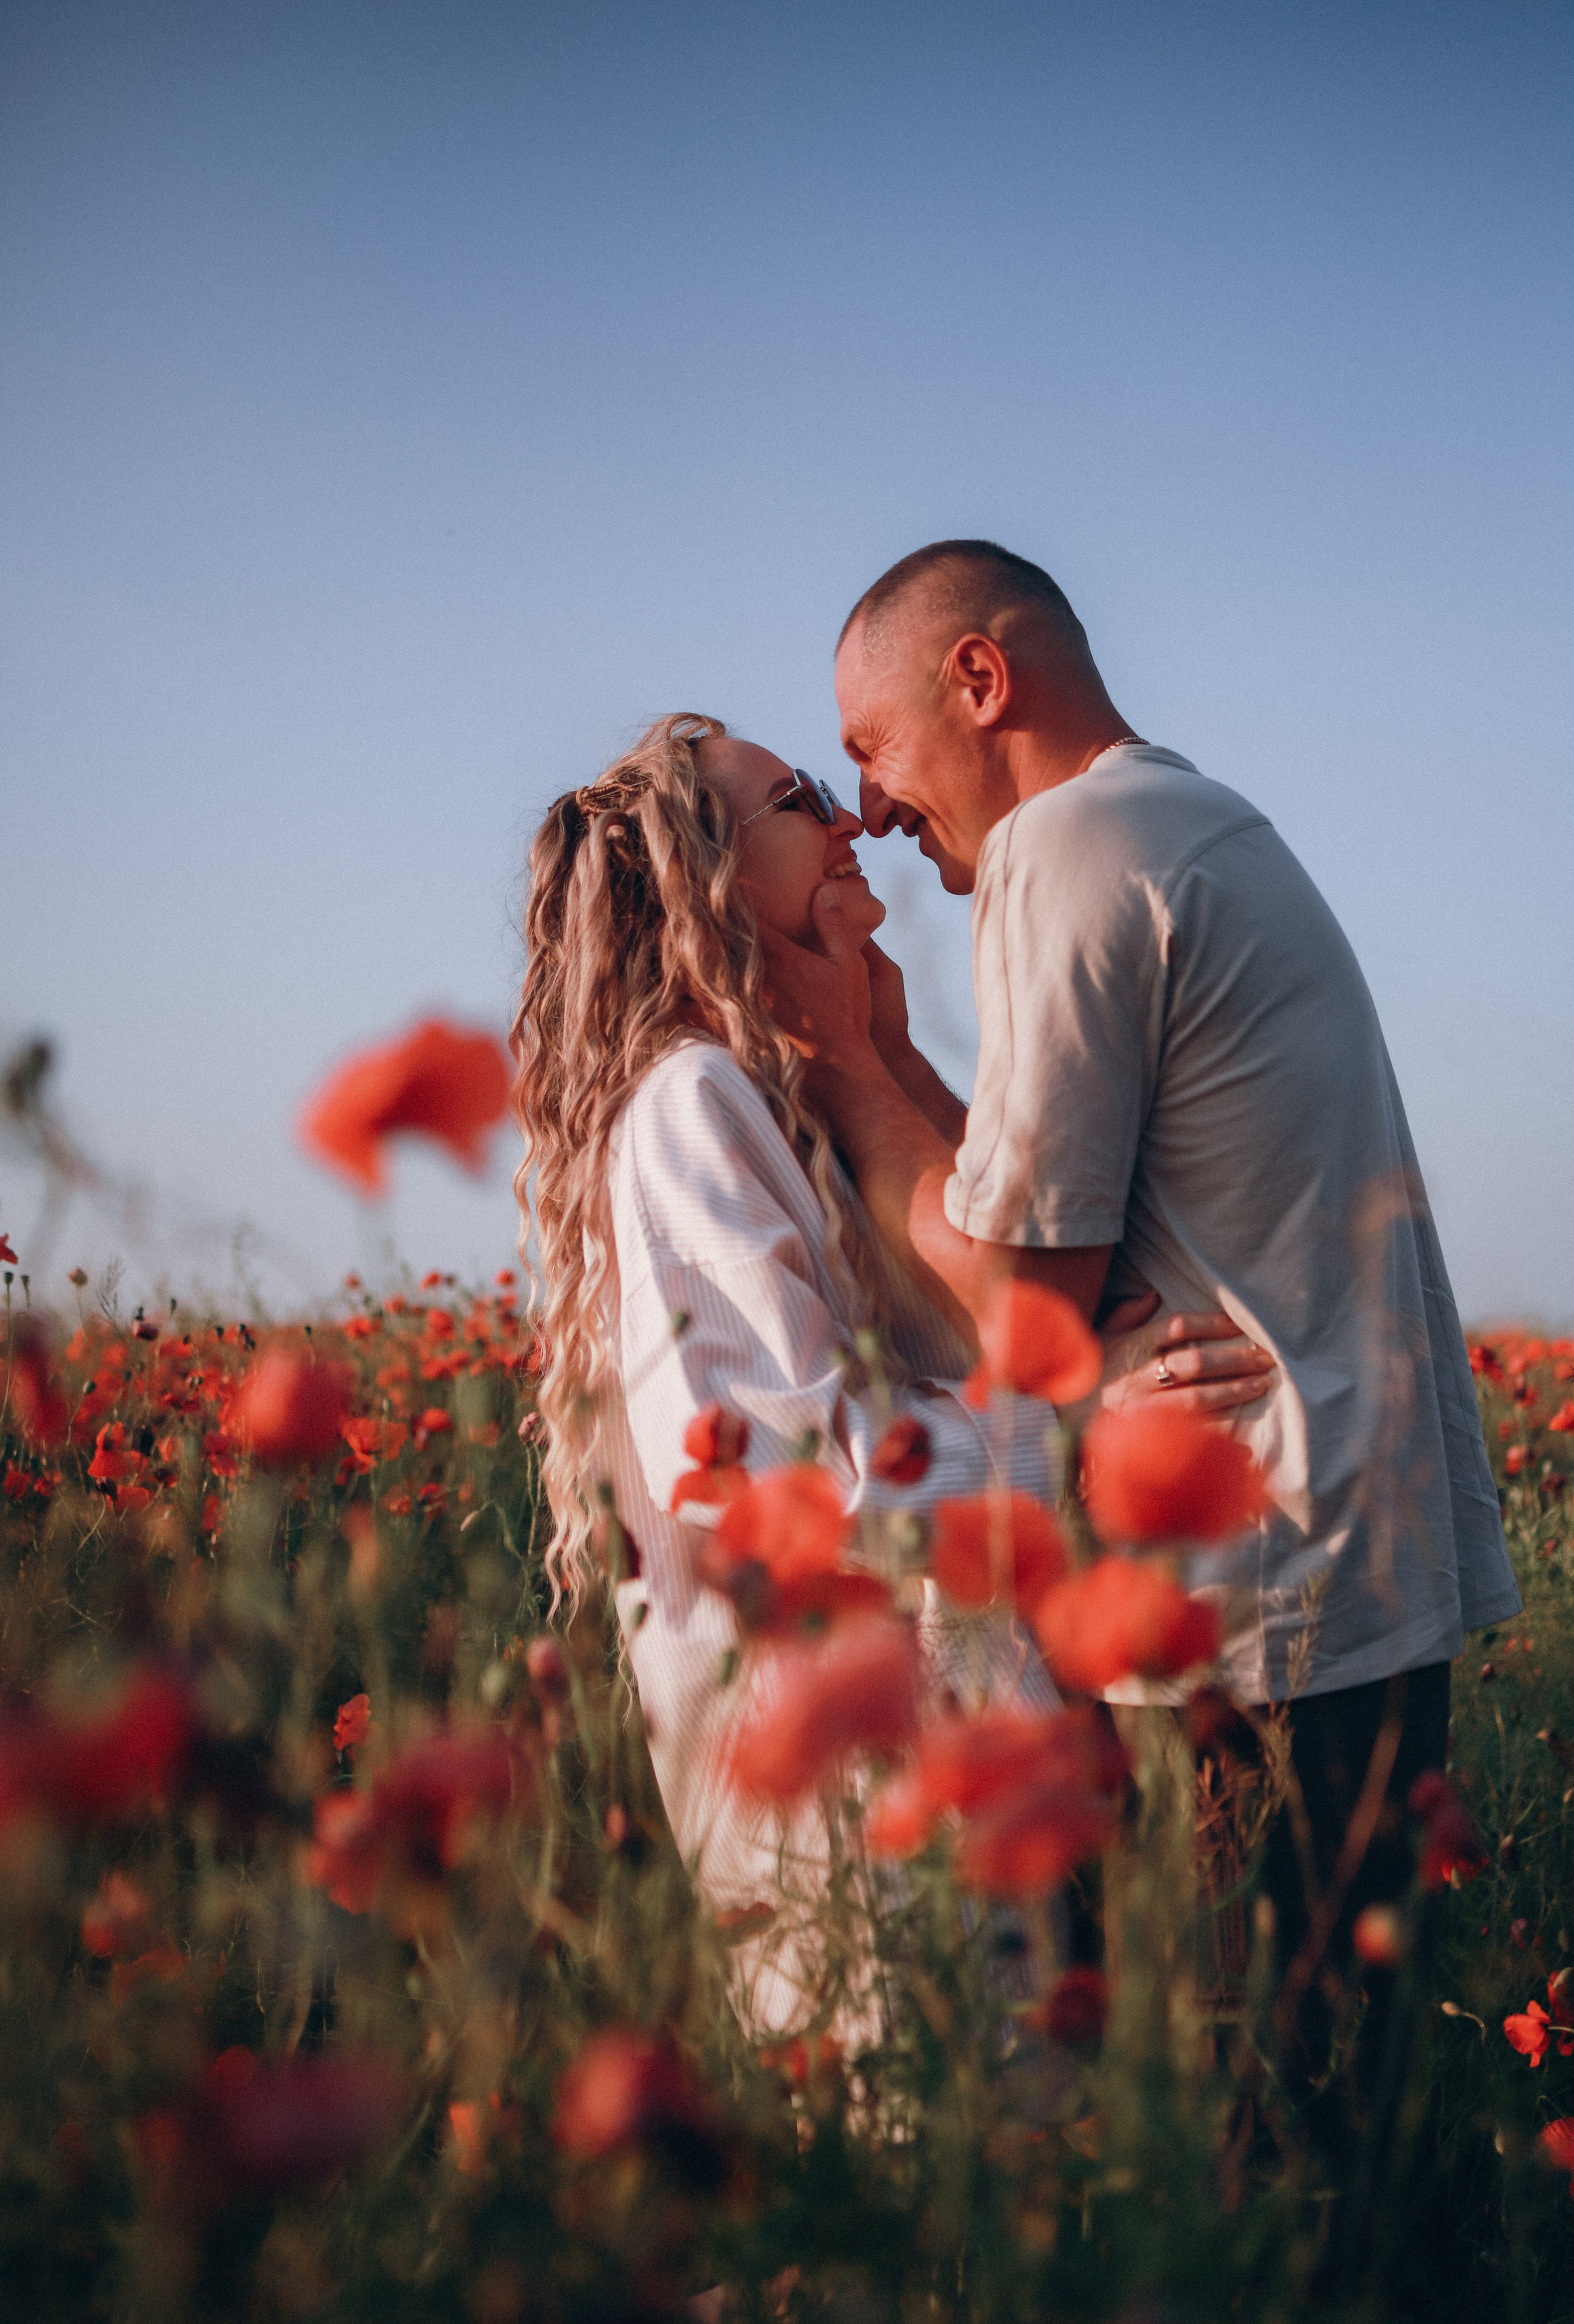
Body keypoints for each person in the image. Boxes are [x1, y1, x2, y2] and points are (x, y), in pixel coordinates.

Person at [758, 538, 1521, 2066]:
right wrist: (909, 1065)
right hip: (1356, 1592)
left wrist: (841, 1067)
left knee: (1232, 2145)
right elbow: (1069, 1213)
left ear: (979, 678)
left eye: (869, 749)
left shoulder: (1060, 855)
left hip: (1252, 1627)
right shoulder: (1193, 820)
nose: (867, 810)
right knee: (1327, 2106)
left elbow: (1022, 1316)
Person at [510, 712, 1274, 2033]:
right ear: (702, 872)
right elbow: (769, 1465)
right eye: (798, 795)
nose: (854, 816)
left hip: (946, 1752)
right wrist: (1086, 1439)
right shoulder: (689, 1104)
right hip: (843, 1804)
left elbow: (1001, 1318)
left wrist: (881, 1052)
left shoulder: (779, 1095)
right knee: (940, 2179)